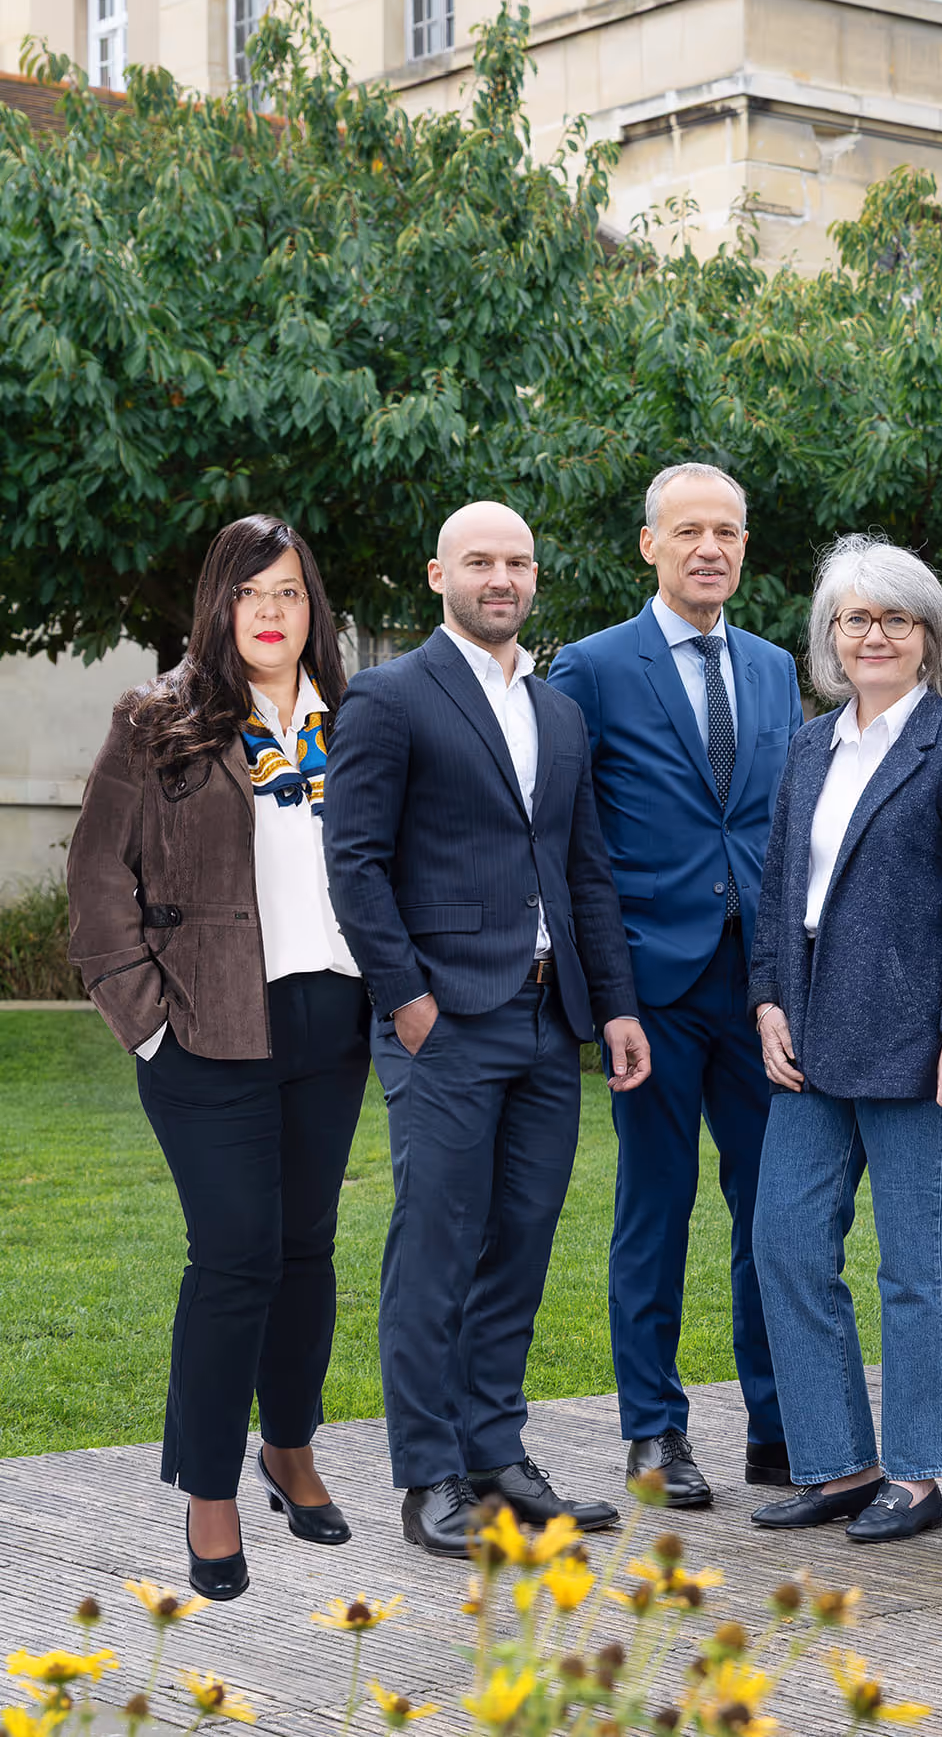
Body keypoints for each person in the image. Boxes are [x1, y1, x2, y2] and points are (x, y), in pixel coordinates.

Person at [325, 501, 652, 1557]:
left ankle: (494, 1456)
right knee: (435, 1245)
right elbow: (356, 862)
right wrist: (405, 998)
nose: (499, 576)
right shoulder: (386, 695)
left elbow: (583, 868)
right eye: (479, 560)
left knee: (517, 1241)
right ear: (438, 574)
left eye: (516, 561)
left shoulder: (557, 712)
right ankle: (427, 1475)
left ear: (534, 576)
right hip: (443, 1019)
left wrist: (614, 1005)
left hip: (548, 1018)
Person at [66, 516, 371, 1599]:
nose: (274, 610)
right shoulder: (162, 721)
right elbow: (100, 884)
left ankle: (288, 1446)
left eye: (290, 590)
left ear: (311, 605)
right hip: (206, 1027)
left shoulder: (355, 718)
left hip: (331, 1023)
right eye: (254, 593)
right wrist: (145, 1023)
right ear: (221, 604)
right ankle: (209, 1488)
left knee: (306, 1250)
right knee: (235, 1253)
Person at [544, 463, 803, 1507]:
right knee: (654, 1210)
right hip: (648, 986)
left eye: (728, 530)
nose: (710, 547)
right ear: (647, 544)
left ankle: (781, 1426)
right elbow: (570, 840)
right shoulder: (593, 668)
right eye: (688, 530)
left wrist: (788, 976)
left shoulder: (780, 666)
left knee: (775, 1211)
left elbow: (780, 829)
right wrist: (607, 996)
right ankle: (654, 1432)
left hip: (761, 989)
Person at [746, 537, 942, 1545]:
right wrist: (767, 998)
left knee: (914, 1263)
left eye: (895, 617)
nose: (874, 635)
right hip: (808, 1030)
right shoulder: (809, 745)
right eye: (854, 619)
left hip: (915, 1037)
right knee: (785, 1240)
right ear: (829, 638)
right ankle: (838, 1463)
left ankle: (915, 1471)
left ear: (928, 635)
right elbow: (778, 890)